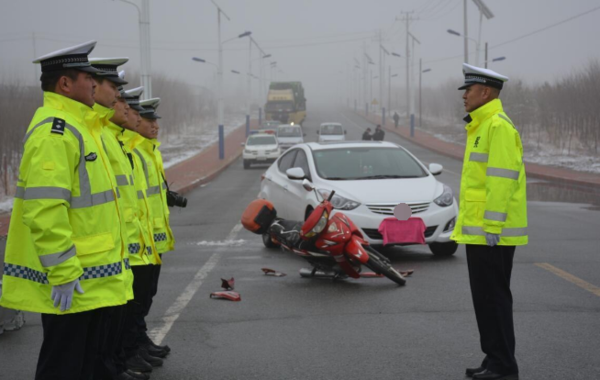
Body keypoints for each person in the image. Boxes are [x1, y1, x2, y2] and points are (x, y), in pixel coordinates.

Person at [0, 41, 130, 380]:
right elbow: (45, 210)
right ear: (65, 84)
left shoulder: (82, 127)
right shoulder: (55, 132)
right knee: (64, 368)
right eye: (87, 77)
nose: (94, 82)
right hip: (73, 282)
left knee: (86, 367)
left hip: (92, 280)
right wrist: (63, 273)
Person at [451, 63, 527, 380]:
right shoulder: (481, 126)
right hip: (479, 232)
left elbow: (502, 180)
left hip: (491, 234)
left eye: (468, 90)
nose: (464, 96)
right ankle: (493, 358)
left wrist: (493, 227)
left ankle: (504, 367)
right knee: (484, 300)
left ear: (485, 92)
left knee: (494, 300)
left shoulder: (498, 127)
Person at [89, 61, 155, 380]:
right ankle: (122, 358)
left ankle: (124, 357)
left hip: (129, 248)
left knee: (122, 318)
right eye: (122, 101)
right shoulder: (91, 136)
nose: (132, 114)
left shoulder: (118, 143)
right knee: (83, 342)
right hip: (99, 256)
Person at [131, 98, 175, 362]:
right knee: (136, 299)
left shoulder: (151, 151)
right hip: (138, 240)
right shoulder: (135, 152)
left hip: (153, 238)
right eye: (149, 120)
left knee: (146, 295)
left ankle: (139, 340)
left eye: (156, 121)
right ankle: (132, 347)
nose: (154, 126)